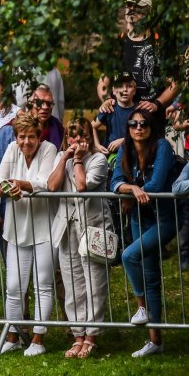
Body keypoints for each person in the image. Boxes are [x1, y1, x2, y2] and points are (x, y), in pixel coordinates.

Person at [112, 108, 179, 357]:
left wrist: (134, 191)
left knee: (129, 256)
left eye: (144, 124)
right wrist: (131, 187)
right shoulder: (125, 149)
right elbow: (114, 182)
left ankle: (142, 308)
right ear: (128, 127)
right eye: (133, 123)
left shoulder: (162, 147)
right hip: (140, 216)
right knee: (151, 277)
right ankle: (156, 341)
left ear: (151, 127)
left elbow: (156, 185)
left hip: (164, 217)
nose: (138, 128)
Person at [0, 114, 58, 356]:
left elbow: (44, 182)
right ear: (16, 137)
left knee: (43, 284)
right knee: (13, 286)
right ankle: (14, 335)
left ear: (39, 136)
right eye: (22, 136)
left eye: (31, 136)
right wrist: (2, 187)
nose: (27, 141)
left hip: (44, 227)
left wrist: (22, 183)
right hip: (16, 227)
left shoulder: (49, 149)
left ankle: (38, 339)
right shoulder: (11, 148)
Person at [47, 117, 111, 359]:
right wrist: (64, 157)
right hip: (67, 227)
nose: (76, 140)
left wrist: (77, 160)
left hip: (93, 227)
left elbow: (82, 186)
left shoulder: (98, 160)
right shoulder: (62, 158)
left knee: (94, 281)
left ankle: (92, 336)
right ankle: (78, 335)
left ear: (88, 138)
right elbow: (52, 187)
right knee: (73, 282)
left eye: (81, 135)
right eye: (72, 136)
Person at [98, 0, 181, 129]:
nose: (132, 9)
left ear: (149, 12)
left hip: (151, 120)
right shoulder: (117, 44)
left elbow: (176, 82)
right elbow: (103, 82)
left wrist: (157, 104)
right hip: (120, 120)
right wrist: (107, 100)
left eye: (138, 7)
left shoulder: (161, 44)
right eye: (129, 5)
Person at [0, 83, 64, 169]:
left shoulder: (57, 127)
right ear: (28, 103)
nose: (45, 107)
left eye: (49, 103)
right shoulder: (8, 130)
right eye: (39, 102)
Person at [92, 72, 137, 156]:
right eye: (120, 86)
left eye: (129, 86)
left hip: (133, 153)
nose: (125, 90)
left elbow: (146, 135)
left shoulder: (139, 111)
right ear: (114, 90)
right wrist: (97, 145)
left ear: (134, 91)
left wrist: (124, 141)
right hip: (111, 154)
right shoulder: (109, 108)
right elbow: (92, 126)